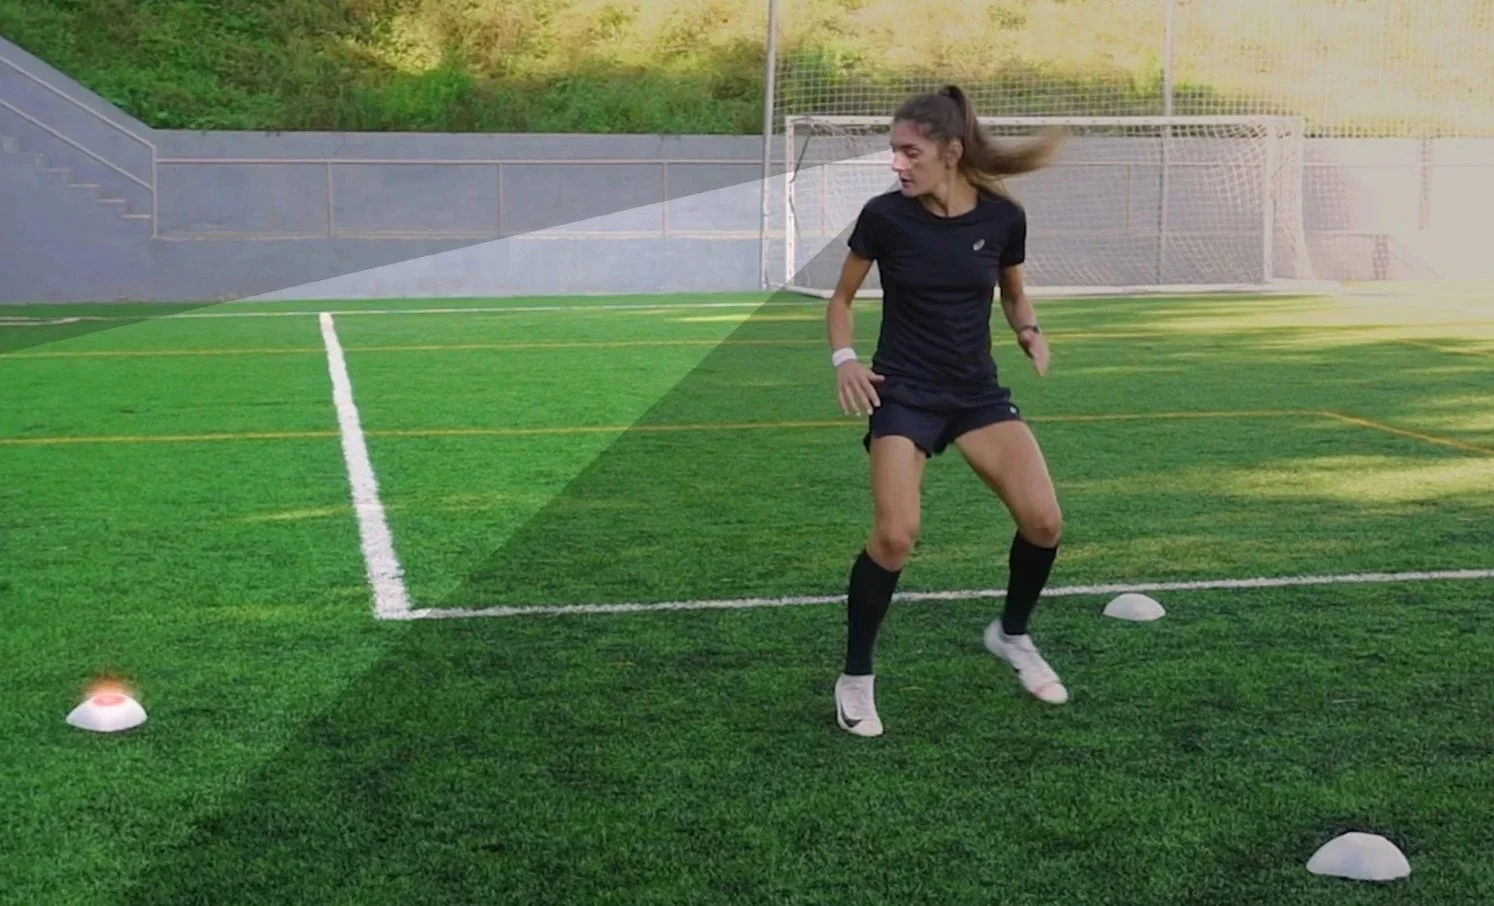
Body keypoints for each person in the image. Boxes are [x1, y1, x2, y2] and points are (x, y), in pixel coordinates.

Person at [825, 85, 1068, 738]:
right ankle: (855, 678)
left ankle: (1011, 635)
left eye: (910, 152)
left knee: (1044, 521)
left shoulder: (1001, 220)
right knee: (896, 535)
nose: (897, 164)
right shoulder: (884, 216)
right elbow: (841, 297)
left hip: (976, 394)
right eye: (894, 151)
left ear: (951, 153)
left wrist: (1030, 330)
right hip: (903, 392)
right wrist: (844, 357)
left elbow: (1013, 294)